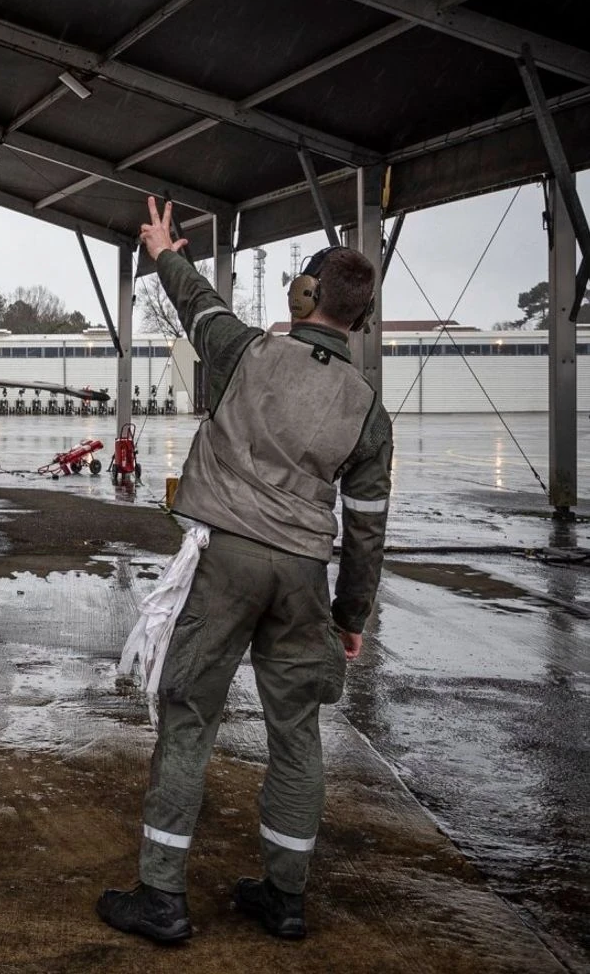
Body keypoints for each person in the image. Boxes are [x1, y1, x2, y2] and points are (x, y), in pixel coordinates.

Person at [98, 198, 393, 943]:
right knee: (296, 731)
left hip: (227, 558)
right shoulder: (367, 409)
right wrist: (350, 617)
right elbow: (366, 527)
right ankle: (285, 898)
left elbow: (196, 301)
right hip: (303, 575)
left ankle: (162, 897)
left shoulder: (249, 352)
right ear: (358, 318)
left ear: (307, 296)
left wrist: (164, 247)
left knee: (189, 714)